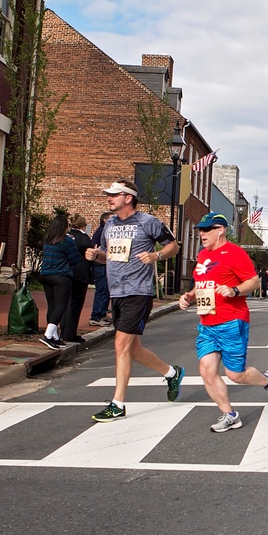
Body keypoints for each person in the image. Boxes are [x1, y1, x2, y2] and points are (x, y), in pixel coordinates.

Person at [85, 180, 185, 422]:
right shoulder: (109, 225)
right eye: (108, 195)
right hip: (116, 292)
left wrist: (156, 255)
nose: (109, 199)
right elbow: (111, 257)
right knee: (133, 349)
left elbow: (174, 245)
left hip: (138, 292)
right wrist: (96, 255)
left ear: (128, 198)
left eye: (114, 195)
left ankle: (117, 404)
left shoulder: (147, 222)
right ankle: (172, 373)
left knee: (120, 346)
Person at [177, 213, 268, 432]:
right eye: (200, 230)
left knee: (235, 374)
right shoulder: (202, 255)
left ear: (221, 230)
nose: (202, 234)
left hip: (231, 321)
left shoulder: (235, 253)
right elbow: (203, 284)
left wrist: (234, 290)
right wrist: (189, 296)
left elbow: (253, 282)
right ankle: (230, 415)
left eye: (207, 230)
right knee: (206, 370)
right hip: (207, 323)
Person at [39, 213, 83, 350]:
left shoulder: (48, 240)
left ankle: (55, 336)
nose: (70, 227)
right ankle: (47, 335)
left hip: (45, 275)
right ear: (64, 226)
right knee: (61, 306)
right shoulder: (66, 241)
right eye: (68, 225)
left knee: (51, 305)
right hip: (61, 276)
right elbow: (75, 259)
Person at [62, 213, 94, 343]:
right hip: (80, 274)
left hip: (65, 272)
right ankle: (70, 333)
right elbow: (90, 250)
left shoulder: (65, 236)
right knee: (75, 304)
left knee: (64, 304)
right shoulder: (83, 237)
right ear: (83, 225)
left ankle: (63, 331)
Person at [89, 212, 112, 326]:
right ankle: (96, 316)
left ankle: (102, 313)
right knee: (102, 290)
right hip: (100, 265)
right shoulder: (102, 231)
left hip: (104, 264)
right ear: (105, 220)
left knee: (106, 290)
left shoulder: (106, 231)